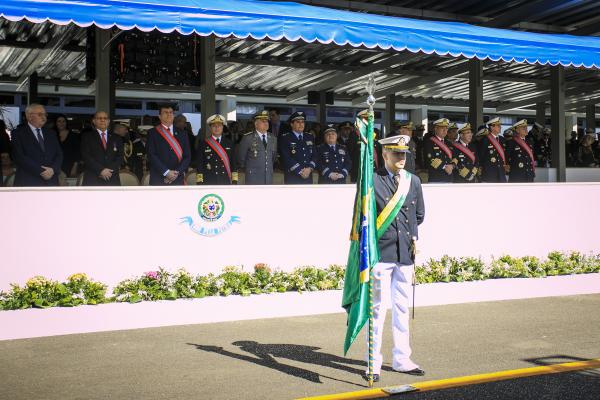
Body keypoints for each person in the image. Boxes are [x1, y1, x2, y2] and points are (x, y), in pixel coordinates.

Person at [368, 134, 425, 382]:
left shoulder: (413, 181)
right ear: (385, 155)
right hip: (381, 253)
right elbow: (365, 218)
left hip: (405, 253)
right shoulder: (372, 180)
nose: (402, 158)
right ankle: (373, 362)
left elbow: (419, 214)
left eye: (404, 154)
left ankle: (402, 359)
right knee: (377, 310)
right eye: (397, 153)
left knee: (402, 308)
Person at [11, 104, 63, 186]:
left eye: (45, 114)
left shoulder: (51, 133)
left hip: (50, 181)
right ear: (29, 116)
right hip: (28, 181)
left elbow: (59, 154)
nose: (44, 117)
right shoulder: (18, 133)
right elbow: (19, 156)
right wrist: (41, 171)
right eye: (40, 114)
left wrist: (53, 170)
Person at [146, 105, 191, 185]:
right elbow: (151, 155)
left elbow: (187, 156)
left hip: (177, 178)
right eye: (165, 112)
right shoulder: (152, 133)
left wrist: (176, 173)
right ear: (159, 116)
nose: (169, 114)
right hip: (159, 178)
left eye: (171, 112)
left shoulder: (183, 133)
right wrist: (166, 172)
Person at [80, 111, 124, 186]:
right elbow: (86, 156)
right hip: (93, 178)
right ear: (94, 121)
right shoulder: (86, 137)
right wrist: (101, 170)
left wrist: (108, 171)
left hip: (111, 177)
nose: (102, 120)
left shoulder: (117, 138)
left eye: (105, 118)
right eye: (99, 118)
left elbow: (120, 157)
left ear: (109, 121)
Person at [237, 110, 277, 185]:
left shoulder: (273, 138)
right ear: (256, 124)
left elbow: (273, 158)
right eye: (263, 121)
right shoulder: (248, 138)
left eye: (267, 121)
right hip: (253, 177)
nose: (266, 123)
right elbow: (241, 158)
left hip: (268, 177)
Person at [196, 114, 238, 185]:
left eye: (219, 126)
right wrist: (200, 181)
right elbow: (200, 164)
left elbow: (233, 163)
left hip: (225, 179)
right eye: (214, 126)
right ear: (210, 128)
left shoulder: (229, 143)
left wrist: (234, 180)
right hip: (209, 180)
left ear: (222, 127)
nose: (217, 128)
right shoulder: (203, 144)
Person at [278, 111, 315, 184]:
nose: (301, 124)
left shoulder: (309, 137)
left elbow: (314, 155)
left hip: (308, 176)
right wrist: (300, 171)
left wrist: (309, 168)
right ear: (292, 124)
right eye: (298, 122)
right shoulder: (285, 137)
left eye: (302, 122)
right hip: (293, 176)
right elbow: (285, 157)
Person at [424, 118, 454, 183]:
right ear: (436, 128)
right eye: (442, 128)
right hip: (436, 178)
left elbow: (454, 158)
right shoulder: (429, 142)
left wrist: (452, 166)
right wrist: (444, 167)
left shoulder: (449, 143)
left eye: (446, 128)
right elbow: (430, 159)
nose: (444, 130)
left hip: (449, 177)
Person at [478, 117, 507, 183]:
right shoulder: (485, 140)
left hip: (501, 173)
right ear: (492, 127)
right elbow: (480, 157)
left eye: (500, 125)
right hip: (489, 174)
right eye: (498, 125)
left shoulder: (502, 139)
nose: (500, 127)